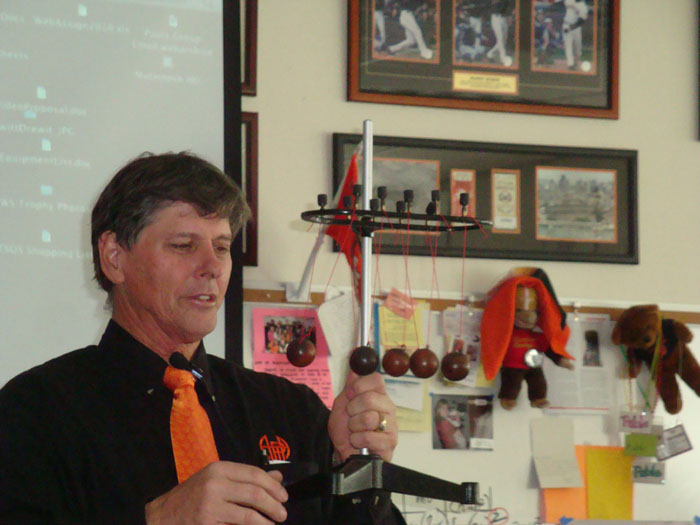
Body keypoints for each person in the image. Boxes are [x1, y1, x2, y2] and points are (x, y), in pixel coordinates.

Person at [0, 152, 404, 524]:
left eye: (222, 247)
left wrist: (359, 475)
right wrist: (153, 521)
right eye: (183, 245)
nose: (212, 266)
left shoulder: (292, 411)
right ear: (114, 257)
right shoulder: (33, 413)